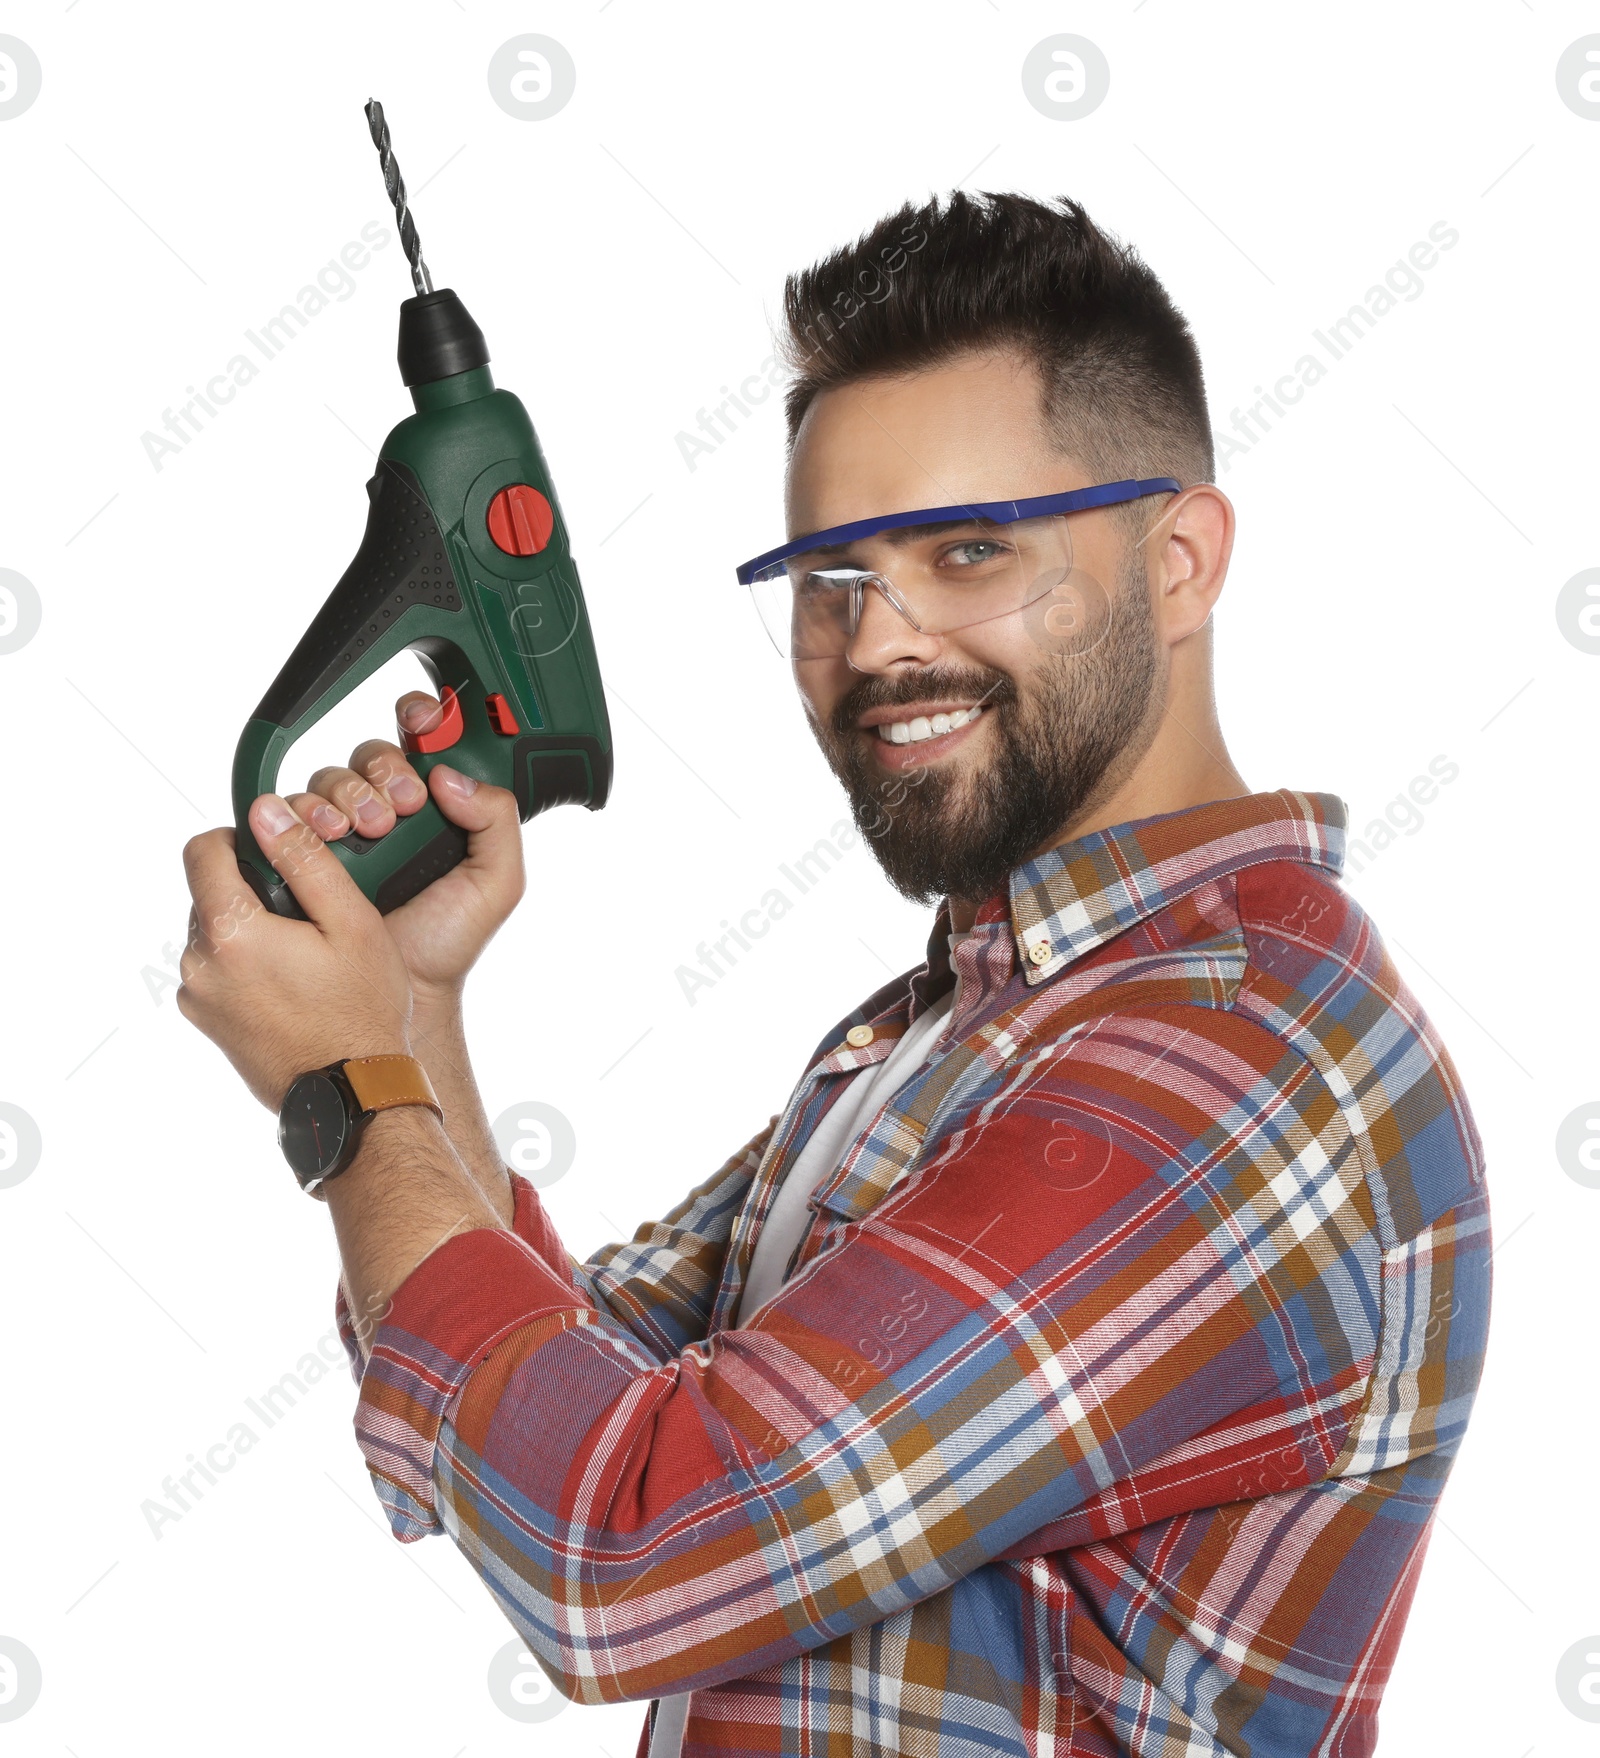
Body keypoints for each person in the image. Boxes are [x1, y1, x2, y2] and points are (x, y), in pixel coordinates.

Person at [177, 191, 1491, 1756]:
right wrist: (408, 1012)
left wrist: (353, 1090)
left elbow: (620, 1551)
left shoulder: (1240, 1057)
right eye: (831, 576)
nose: (877, 643)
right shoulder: (955, 1024)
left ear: (1182, 563)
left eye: (969, 549)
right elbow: (580, 1392)